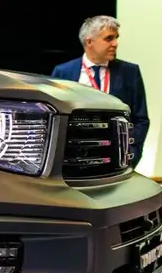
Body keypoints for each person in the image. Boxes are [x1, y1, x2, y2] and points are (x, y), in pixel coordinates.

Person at [50, 15, 151, 167]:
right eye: (109, 38)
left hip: (116, 158)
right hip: (73, 158)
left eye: (116, 38)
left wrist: (132, 154)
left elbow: (140, 118)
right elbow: (54, 117)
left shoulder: (129, 72)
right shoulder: (63, 72)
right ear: (89, 42)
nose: (115, 44)